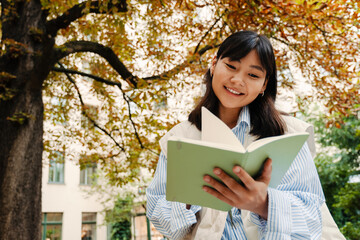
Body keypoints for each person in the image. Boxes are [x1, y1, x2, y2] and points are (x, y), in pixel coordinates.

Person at [146, 30, 325, 239]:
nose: (238, 80)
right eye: (231, 66)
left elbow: (312, 219)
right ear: (214, 64)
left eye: (253, 75)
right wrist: (188, 194)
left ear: (264, 85)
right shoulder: (180, 137)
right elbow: (161, 220)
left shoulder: (288, 133)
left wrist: (264, 204)